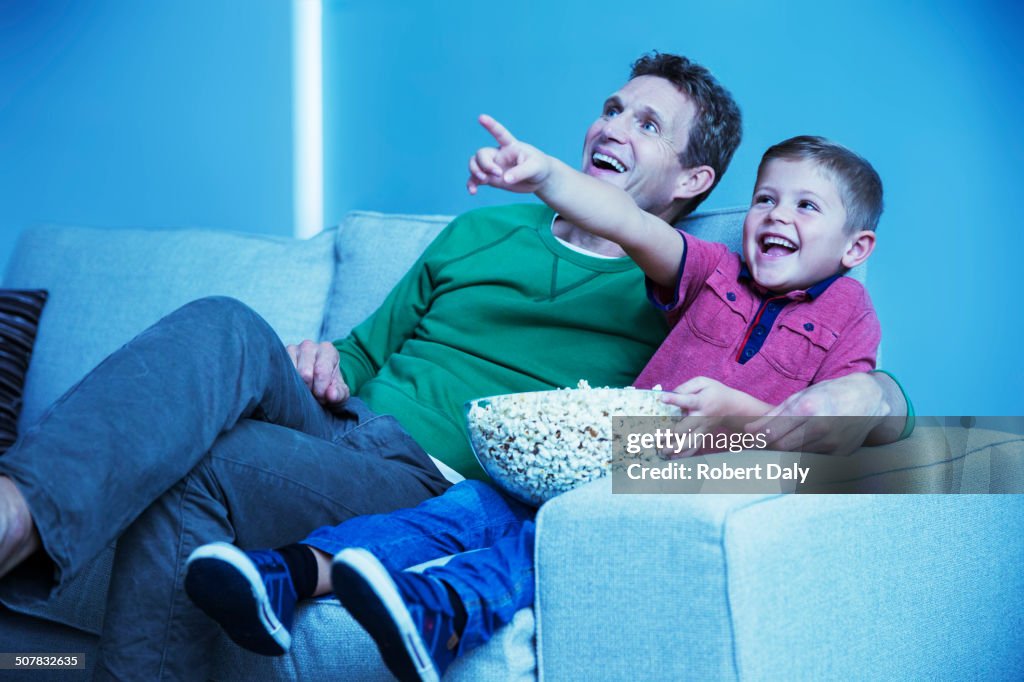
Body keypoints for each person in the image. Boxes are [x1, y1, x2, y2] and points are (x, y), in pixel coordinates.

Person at [0, 52, 758, 680]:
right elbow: (362, 353)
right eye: (614, 108)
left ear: (691, 182)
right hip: (339, 428)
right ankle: (17, 512)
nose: (613, 127)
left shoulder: (689, 285)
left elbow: (807, 367)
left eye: (648, 124)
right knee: (223, 321)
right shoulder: (483, 232)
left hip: (425, 477)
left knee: (203, 463)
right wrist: (322, 360)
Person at [184, 101, 906, 682]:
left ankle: (441, 612)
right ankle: (286, 575)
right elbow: (627, 221)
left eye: (807, 207)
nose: (777, 216)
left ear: (856, 249)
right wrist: (548, 176)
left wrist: (746, 416)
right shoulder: (711, 273)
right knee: (464, 508)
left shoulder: (850, 319)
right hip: (605, 457)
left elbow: (838, 430)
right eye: (766, 199)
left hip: (677, 483)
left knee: (531, 544)